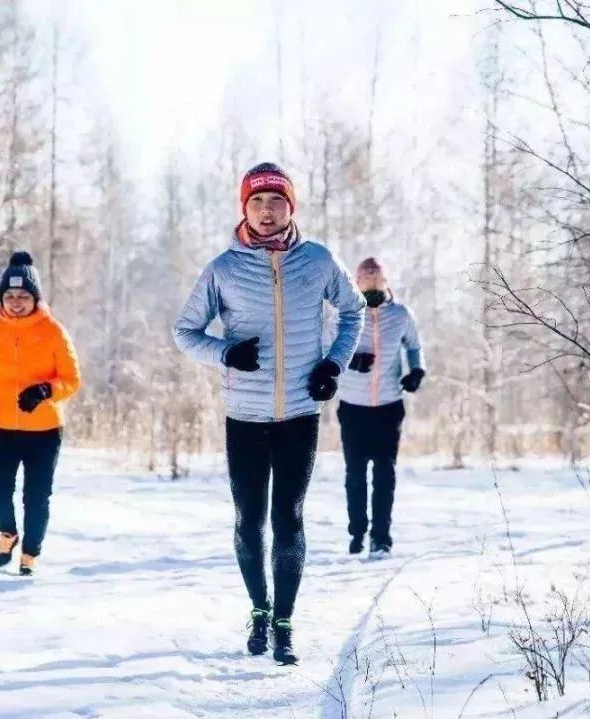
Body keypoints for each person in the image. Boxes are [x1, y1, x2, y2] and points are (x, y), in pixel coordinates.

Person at [174, 163, 365, 665]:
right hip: (245, 415)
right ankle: (258, 609)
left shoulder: (318, 261)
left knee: (290, 519)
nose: (266, 210)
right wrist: (225, 353)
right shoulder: (224, 269)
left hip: (301, 412)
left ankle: (284, 622)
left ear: (290, 207)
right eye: (256, 202)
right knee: (248, 521)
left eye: (275, 201)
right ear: (244, 208)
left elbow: (354, 312)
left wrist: (333, 363)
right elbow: (185, 331)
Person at [0, 251, 82, 576]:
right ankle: (8, 531)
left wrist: (45, 391)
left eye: (23, 296)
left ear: (35, 298)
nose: (16, 302)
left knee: (37, 497)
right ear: (1, 298)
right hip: (0, 425)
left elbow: (72, 379)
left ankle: (30, 554)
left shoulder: (53, 331)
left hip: (44, 430)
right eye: (9, 296)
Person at [337, 257, 425, 559]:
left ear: (385, 281)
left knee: (385, 474)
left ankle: (381, 538)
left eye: (377, 276)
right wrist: (353, 362)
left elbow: (414, 347)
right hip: (353, 407)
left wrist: (416, 371)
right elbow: (326, 352)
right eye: (366, 277)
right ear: (356, 282)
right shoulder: (346, 315)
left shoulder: (401, 315)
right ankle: (358, 530)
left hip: (389, 406)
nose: (371, 281)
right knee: (355, 474)